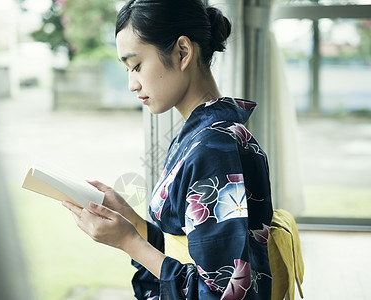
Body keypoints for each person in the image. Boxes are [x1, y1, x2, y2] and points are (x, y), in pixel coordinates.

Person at [62, 0, 273, 299]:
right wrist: (131, 220)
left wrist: (129, 242)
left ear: (182, 52)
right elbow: (191, 250)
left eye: (136, 66)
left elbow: (221, 293)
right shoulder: (204, 135)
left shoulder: (213, 147)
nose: (132, 85)